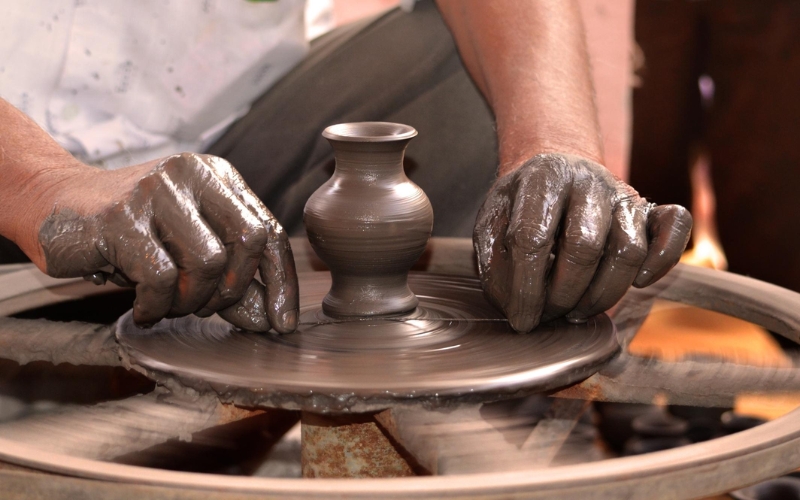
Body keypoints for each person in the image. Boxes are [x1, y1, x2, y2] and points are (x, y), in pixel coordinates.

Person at [0, 0, 692, 334]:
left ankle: (445, 415)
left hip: (236, 141)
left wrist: (557, 146)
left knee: (467, 94)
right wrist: (43, 183)